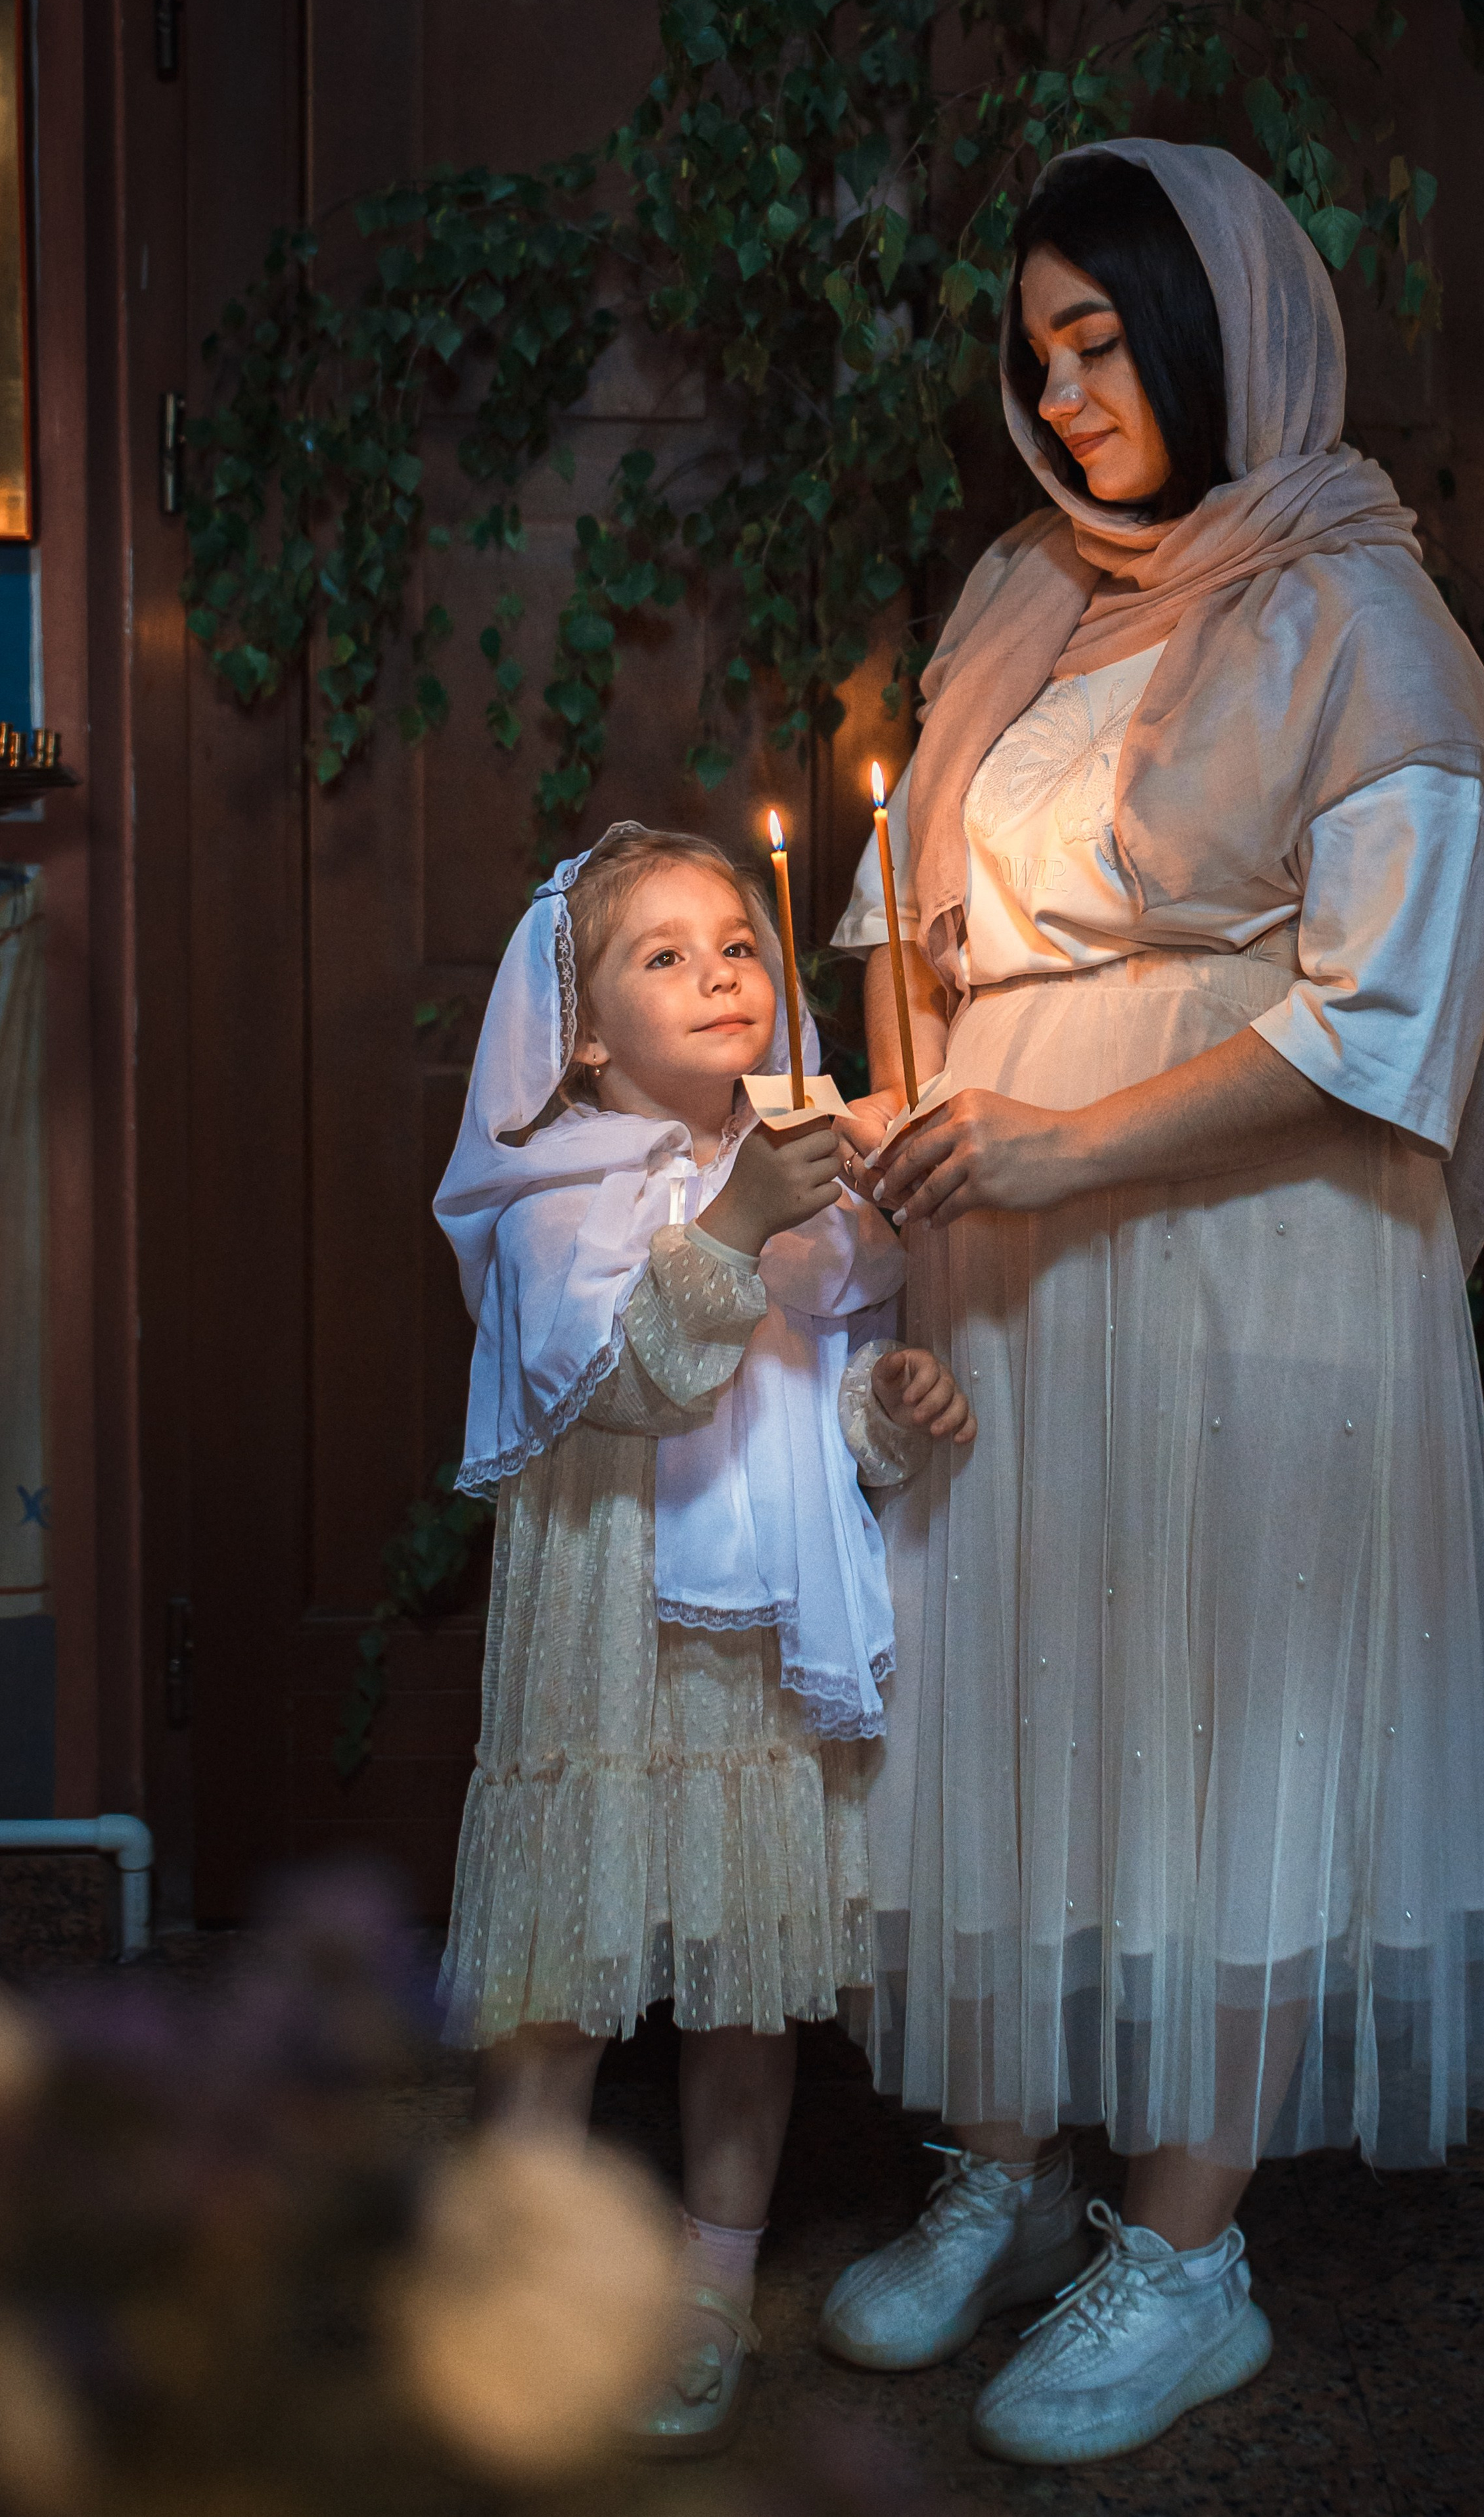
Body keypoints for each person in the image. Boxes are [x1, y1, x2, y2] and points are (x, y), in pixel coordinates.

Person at [820, 139, 1484, 2466]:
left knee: (1218, 1718)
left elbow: (1384, 1013)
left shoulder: (1361, 615)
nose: (1061, 394)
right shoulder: (1018, 594)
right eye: (1034, 353)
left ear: (1219, 326)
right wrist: (912, 1116)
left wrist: (1062, 1142)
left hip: (1252, 1260)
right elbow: (915, 918)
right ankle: (1010, 2165)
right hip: (1011, 1254)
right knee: (1010, 1699)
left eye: (1101, 339)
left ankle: (1188, 2247)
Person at [432, 824, 975, 2455]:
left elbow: (813, 1421)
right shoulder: (553, 1195)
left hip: (753, 1663)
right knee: (557, 1983)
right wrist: (733, 1221)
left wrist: (890, 1409)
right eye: (660, 956)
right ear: (583, 1035)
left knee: (747, 1980)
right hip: (605, 1633)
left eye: (736, 942)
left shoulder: (814, 1170)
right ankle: (519, 2273)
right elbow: (635, 1382)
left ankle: (714, 2278)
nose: (717, 972)